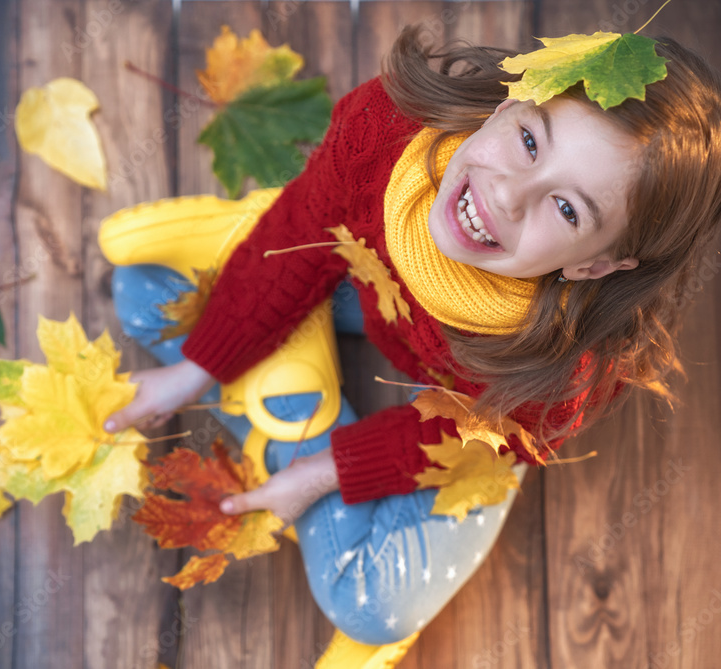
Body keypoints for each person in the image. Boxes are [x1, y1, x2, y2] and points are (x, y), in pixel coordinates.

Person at [101, 25, 721, 649]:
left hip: (471, 401)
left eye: (567, 210)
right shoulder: (384, 132)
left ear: (594, 265)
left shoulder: (564, 368)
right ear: (508, 103)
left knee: (372, 608)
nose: (506, 194)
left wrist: (321, 472)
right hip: (371, 275)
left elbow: (470, 434)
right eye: (530, 140)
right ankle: (284, 396)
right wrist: (198, 366)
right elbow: (304, 224)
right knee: (144, 291)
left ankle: (291, 421)